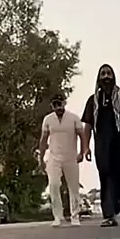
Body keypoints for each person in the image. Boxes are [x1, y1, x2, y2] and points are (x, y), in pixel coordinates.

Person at [82, 64, 120, 227]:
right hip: (102, 146)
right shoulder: (93, 101)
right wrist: (85, 147)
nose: (106, 76)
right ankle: (109, 215)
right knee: (106, 178)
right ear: (99, 78)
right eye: (103, 74)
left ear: (113, 77)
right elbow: (88, 125)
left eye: (109, 73)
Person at [39, 94, 85, 227]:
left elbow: (82, 136)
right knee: (53, 185)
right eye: (55, 104)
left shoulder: (74, 118)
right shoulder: (48, 119)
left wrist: (82, 152)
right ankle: (57, 216)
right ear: (52, 106)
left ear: (64, 103)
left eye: (60, 104)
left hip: (71, 156)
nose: (58, 107)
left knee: (73, 187)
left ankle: (75, 216)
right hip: (54, 156)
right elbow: (43, 139)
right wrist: (41, 159)